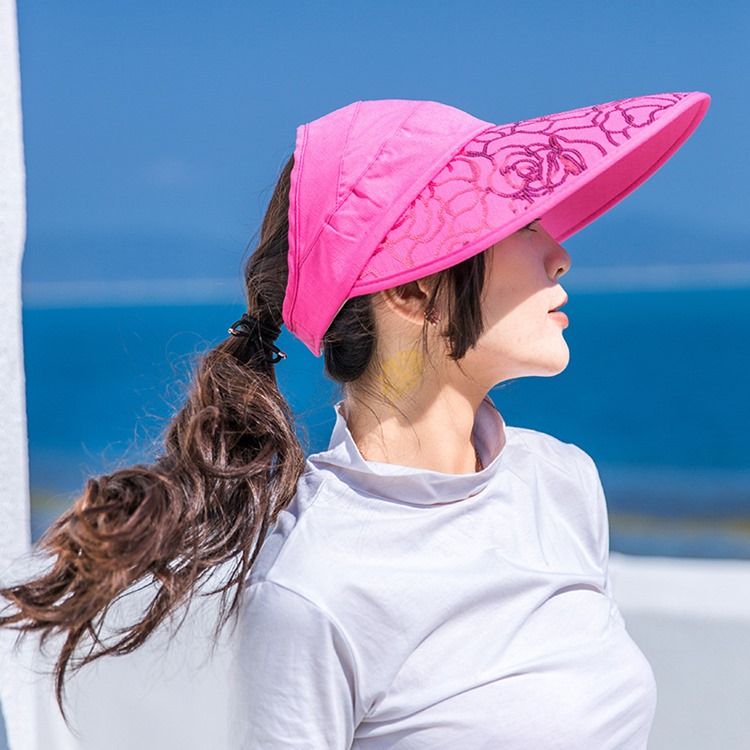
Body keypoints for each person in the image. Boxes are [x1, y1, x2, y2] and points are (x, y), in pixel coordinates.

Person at [0, 91, 710, 748]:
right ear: (409, 289)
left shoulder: (560, 484)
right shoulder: (317, 587)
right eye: (521, 223)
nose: (560, 255)